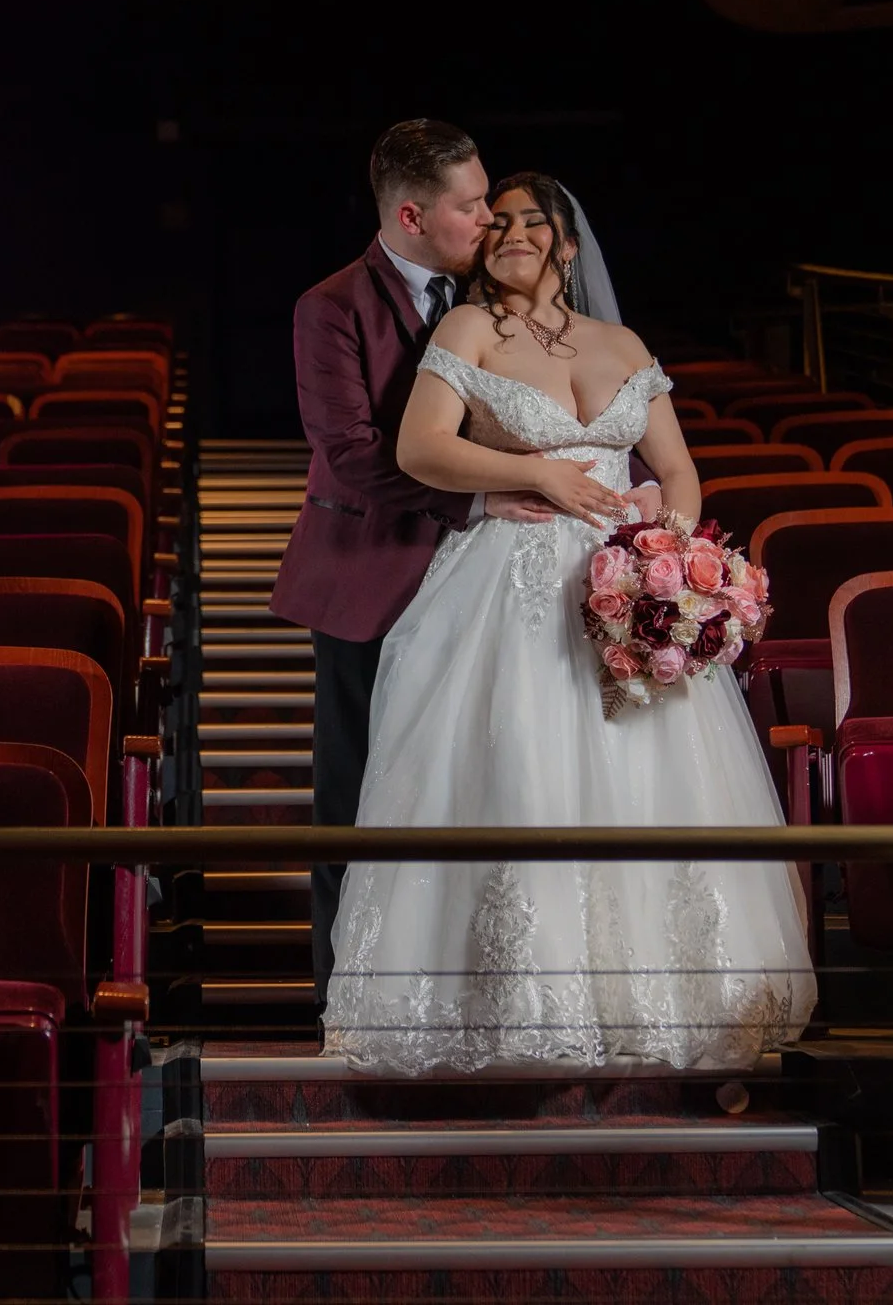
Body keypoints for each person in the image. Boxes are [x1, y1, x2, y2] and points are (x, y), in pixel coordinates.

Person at [321, 170, 816, 1073]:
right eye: (496, 222)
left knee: (651, 784)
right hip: (512, 583)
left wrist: (666, 560)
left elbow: (676, 467)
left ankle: (673, 1011)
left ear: (569, 244)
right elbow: (419, 446)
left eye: (530, 223)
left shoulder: (620, 342)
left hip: (624, 585)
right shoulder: (468, 330)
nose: (510, 234)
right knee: (523, 767)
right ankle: (523, 1008)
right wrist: (541, 474)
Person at [270, 120, 561, 1006]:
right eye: (471, 206)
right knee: (356, 799)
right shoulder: (330, 306)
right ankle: (344, 1004)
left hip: (495, 585)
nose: (491, 221)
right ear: (410, 214)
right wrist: (475, 497)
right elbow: (352, 454)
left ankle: (470, 996)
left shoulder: (500, 294)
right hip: (377, 575)